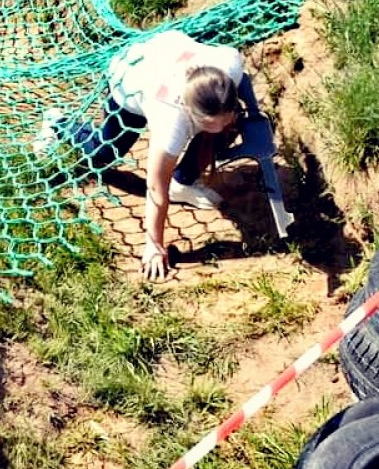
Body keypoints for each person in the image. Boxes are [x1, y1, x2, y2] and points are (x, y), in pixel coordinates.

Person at [34, 30, 260, 281]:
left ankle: (183, 182)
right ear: (189, 113)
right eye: (207, 124)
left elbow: (243, 85)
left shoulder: (229, 65)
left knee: (228, 127)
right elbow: (154, 187)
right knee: (104, 152)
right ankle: (59, 122)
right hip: (130, 78)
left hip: (166, 50)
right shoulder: (170, 120)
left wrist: (255, 117)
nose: (216, 127)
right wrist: (154, 244)